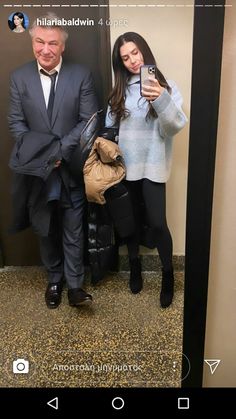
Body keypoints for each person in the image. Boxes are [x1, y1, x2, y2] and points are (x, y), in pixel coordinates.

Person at [8, 13, 98, 309]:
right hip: (37, 171)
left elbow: (89, 120)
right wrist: (45, 156)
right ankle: (55, 280)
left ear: (62, 46)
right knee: (45, 228)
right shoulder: (19, 77)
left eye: (52, 43)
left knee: (74, 227)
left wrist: (59, 152)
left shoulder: (81, 75)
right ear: (32, 41)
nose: (45, 49)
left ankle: (74, 286)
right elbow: (16, 124)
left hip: (70, 166)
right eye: (39, 41)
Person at [105, 32, 187, 308]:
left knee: (158, 224)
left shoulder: (167, 87)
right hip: (125, 170)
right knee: (129, 225)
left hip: (153, 168)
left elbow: (174, 126)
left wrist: (160, 98)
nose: (131, 61)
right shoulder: (119, 91)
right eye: (125, 57)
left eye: (135, 53)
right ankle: (135, 267)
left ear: (145, 52)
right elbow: (109, 132)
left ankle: (167, 276)